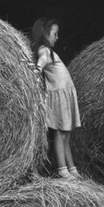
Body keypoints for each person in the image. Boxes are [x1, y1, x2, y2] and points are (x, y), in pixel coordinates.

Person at [30, 17, 82, 179]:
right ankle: (62, 169)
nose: (57, 37)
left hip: (64, 93)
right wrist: (36, 69)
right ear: (45, 34)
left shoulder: (49, 51)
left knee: (66, 133)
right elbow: (41, 64)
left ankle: (71, 168)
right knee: (60, 133)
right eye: (55, 34)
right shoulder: (44, 51)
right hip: (59, 94)